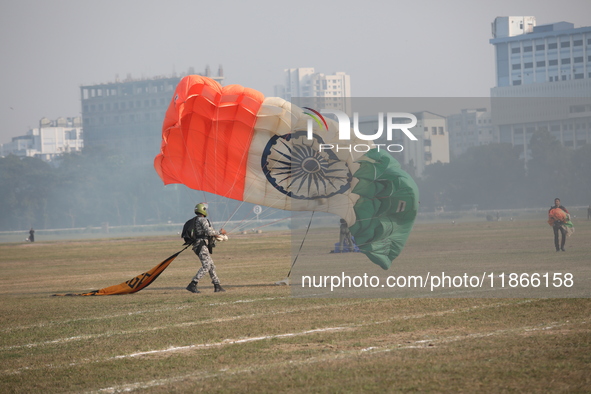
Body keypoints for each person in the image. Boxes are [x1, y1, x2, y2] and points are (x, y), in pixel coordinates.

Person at [182, 203, 226, 293]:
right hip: (201, 245)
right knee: (207, 265)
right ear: (202, 210)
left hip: (198, 245)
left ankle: (217, 285)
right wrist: (220, 232)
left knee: (211, 266)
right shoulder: (203, 220)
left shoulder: (196, 220)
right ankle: (193, 284)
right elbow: (209, 232)